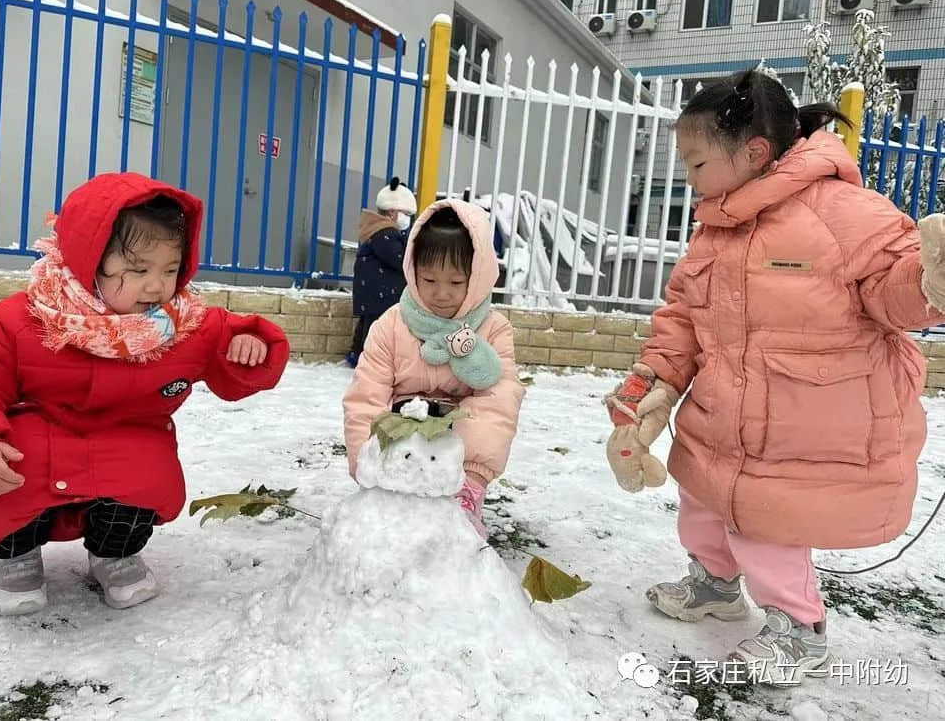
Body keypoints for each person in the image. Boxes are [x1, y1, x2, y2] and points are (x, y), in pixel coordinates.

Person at [604, 69, 945, 684]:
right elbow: (686, 312)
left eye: (697, 161)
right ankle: (714, 584)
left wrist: (930, 280)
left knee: (768, 524)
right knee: (703, 504)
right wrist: (657, 375)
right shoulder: (717, 226)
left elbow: (893, 286)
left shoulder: (843, 214)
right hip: (723, 418)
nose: (689, 177)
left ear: (753, 153)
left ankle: (798, 629)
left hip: (801, 427)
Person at [0, 172, 290, 616]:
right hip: (39, 446)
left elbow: (228, 348)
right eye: (138, 270)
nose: (157, 286)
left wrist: (247, 349)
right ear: (90, 261)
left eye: (170, 269)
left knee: (145, 471)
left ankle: (115, 553)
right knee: (9, 473)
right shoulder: (27, 319)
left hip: (126, 444)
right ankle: (13, 558)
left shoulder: (186, 325)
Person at [343, 199, 525, 535]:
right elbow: (366, 396)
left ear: (479, 276)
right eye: (429, 280)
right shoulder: (391, 324)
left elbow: (498, 401)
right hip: (400, 434)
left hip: (459, 441)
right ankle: (385, 495)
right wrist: (365, 459)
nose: (442, 294)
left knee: (498, 397)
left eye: (456, 283)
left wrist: (472, 470)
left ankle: (466, 497)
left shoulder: (493, 328)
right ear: (412, 271)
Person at [348, 177, 417, 367]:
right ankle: (365, 356)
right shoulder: (384, 232)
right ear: (393, 212)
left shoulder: (381, 230)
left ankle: (358, 353)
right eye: (406, 213)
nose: (408, 218)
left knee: (368, 323)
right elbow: (399, 259)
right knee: (374, 326)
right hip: (380, 292)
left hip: (375, 290)